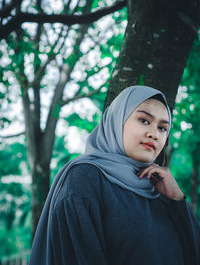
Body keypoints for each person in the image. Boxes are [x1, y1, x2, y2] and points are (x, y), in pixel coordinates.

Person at [28, 85, 200, 265]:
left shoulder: (161, 190)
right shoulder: (85, 179)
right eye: (143, 120)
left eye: (163, 128)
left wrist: (178, 200)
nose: (154, 134)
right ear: (117, 120)